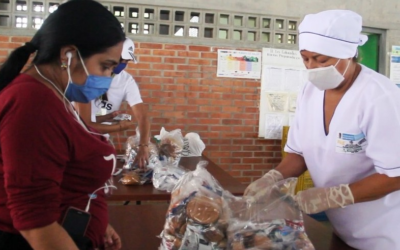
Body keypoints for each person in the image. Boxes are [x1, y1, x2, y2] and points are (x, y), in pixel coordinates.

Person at [245, 10, 400, 250]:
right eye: (305, 58)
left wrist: (335, 196)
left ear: (348, 54)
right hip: (341, 227)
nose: (312, 67)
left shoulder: (379, 97)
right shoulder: (311, 91)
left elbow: (395, 175)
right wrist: (272, 178)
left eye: (321, 59)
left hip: (385, 233)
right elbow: (299, 152)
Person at [0, 0, 125, 249]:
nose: (108, 78)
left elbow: (64, 177)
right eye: (105, 66)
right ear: (68, 55)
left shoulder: (57, 95)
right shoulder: (33, 102)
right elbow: (35, 222)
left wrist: (97, 222)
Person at [74, 38, 150, 168]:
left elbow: (143, 116)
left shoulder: (126, 80)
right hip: (76, 140)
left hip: (101, 140)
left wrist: (144, 146)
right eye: (123, 60)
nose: (124, 64)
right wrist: (119, 127)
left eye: (127, 61)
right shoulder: (87, 75)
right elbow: (85, 126)